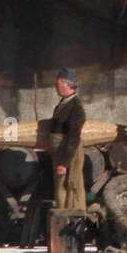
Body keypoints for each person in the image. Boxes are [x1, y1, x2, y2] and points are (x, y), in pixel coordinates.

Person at [50, 68, 86, 212]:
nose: (56, 86)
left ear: (68, 85)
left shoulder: (76, 107)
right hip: (60, 152)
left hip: (69, 154)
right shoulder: (62, 104)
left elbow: (73, 137)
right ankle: (62, 217)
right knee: (60, 189)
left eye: (59, 84)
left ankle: (70, 221)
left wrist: (64, 163)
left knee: (71, 187)